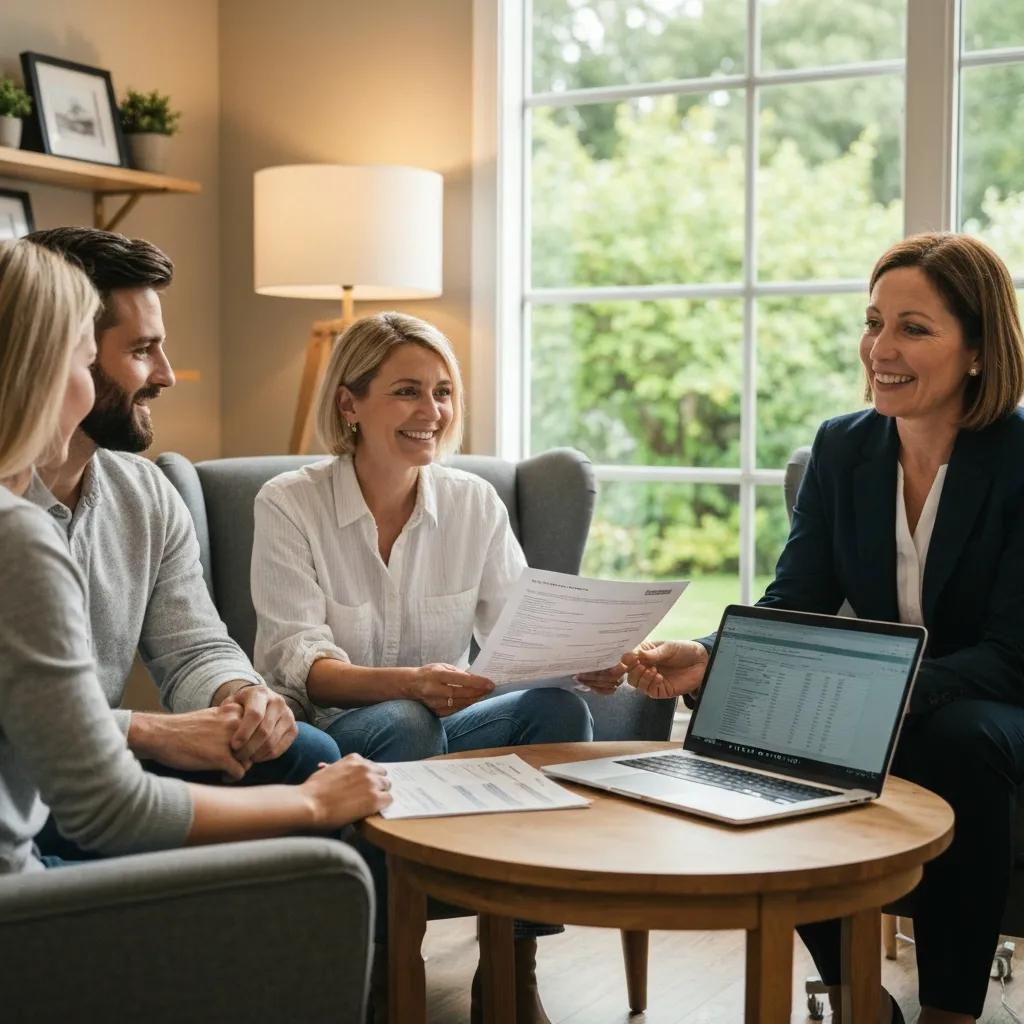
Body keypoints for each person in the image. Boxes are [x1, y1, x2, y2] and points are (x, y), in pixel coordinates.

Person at [582, 232, 1024, 1024]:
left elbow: (1009, 654)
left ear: (980, 351)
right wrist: (709, 657)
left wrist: (875, 697)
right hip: (907, 700)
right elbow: (795, 601)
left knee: (950, 736)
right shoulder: (843, 446)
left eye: (913, 328)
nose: (879, 348)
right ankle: (857, 995)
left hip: (1001, 702)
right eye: (873, 321)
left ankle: (951, 1011)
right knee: (786, 734)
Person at [0, 238, 392, 877]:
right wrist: (149, 732)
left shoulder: (145, 493)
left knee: (303, 751)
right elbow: (99, 797)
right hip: (52, 804)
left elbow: (193, 646)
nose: (166, 374)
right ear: (43, 365)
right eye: (138, 350)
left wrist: (242, 695)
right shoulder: (18, 538)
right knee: (322, 789)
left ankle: (374, 970)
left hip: (74, 777)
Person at [251, 311, 600, 1024]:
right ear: (350, 404)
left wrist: (584, 658)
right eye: (408, 391)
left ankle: (509, 966)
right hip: (338, 738)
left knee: (557, 710)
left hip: (444, 725)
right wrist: (410, 682)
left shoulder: (472, 501)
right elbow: (300, 664)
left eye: (443, 393)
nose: (432, 412)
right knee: (408, 720)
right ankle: (386, 969)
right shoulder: (290, 502)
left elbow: (514, 628)